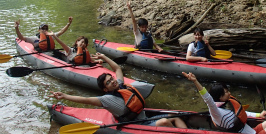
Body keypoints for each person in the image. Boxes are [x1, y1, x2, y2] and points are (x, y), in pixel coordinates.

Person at [49, 53, 187, 128]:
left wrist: (104, 57)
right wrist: (65, 96)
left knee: (175, 115)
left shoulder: (120, 86)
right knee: (164, 122)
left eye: (111, 79)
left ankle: (187, 132)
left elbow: (118, 69)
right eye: (109, 82)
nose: (113, 81)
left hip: (143, 117)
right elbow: (85, 100)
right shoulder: (106, 99)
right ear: (105, 89)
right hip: (135, 125)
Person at [182, 72, 266, 134]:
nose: (229, 93)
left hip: (251, 131)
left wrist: (259, 115)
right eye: (226, 92)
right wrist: (195, 81)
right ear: (220, 97)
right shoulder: (216, 111)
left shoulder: (228, 103)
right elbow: (207, 98)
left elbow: (241, 113)